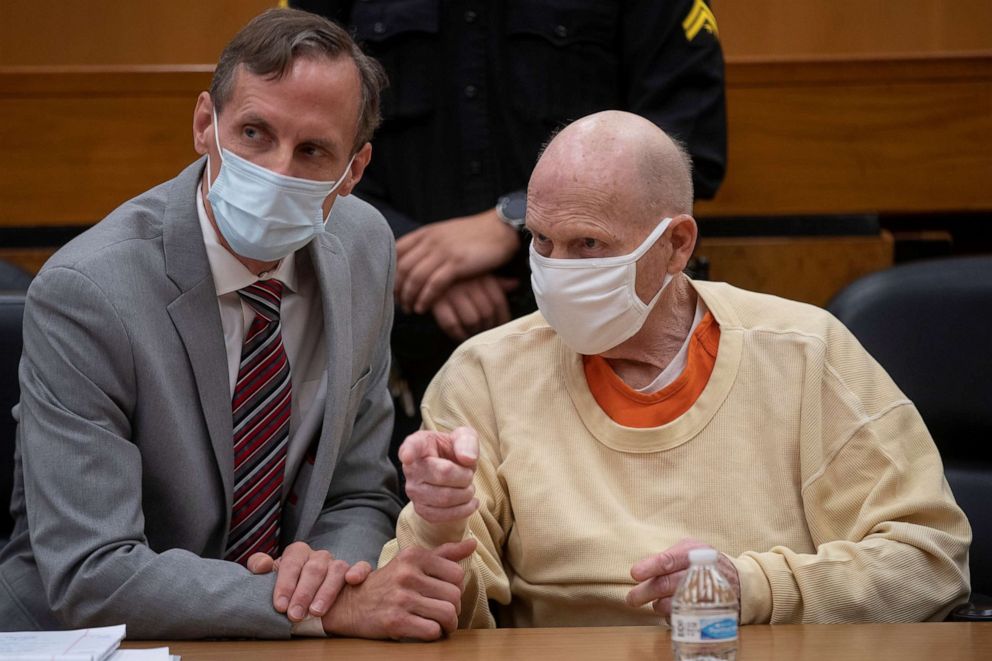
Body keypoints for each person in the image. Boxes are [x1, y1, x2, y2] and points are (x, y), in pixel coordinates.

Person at [381, 111, 972, 627]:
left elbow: (931, 561)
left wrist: (755, 590)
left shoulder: (803, 351)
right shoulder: (483, 374)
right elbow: (439, 617)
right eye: (540, 241)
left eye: (588, 245)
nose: (556, 271)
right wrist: (439, 525)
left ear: (677, 244)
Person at [0, 8, 474, 640]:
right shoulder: (87, 291)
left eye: (312, 151)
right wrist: (320, 608)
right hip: (92, 642)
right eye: (254, 133)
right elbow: (91, 574)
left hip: (287, 641)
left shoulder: (364, 248)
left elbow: (359, 494)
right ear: (205, 125)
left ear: (354, 171)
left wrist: (328, 569)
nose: (277, 171)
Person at [290, 0, 728, 457]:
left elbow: (687, 148)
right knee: (414, 507)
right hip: (389, 334)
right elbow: (299, 141)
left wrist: (516, 222)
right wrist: (412, 257)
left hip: (601, 332)